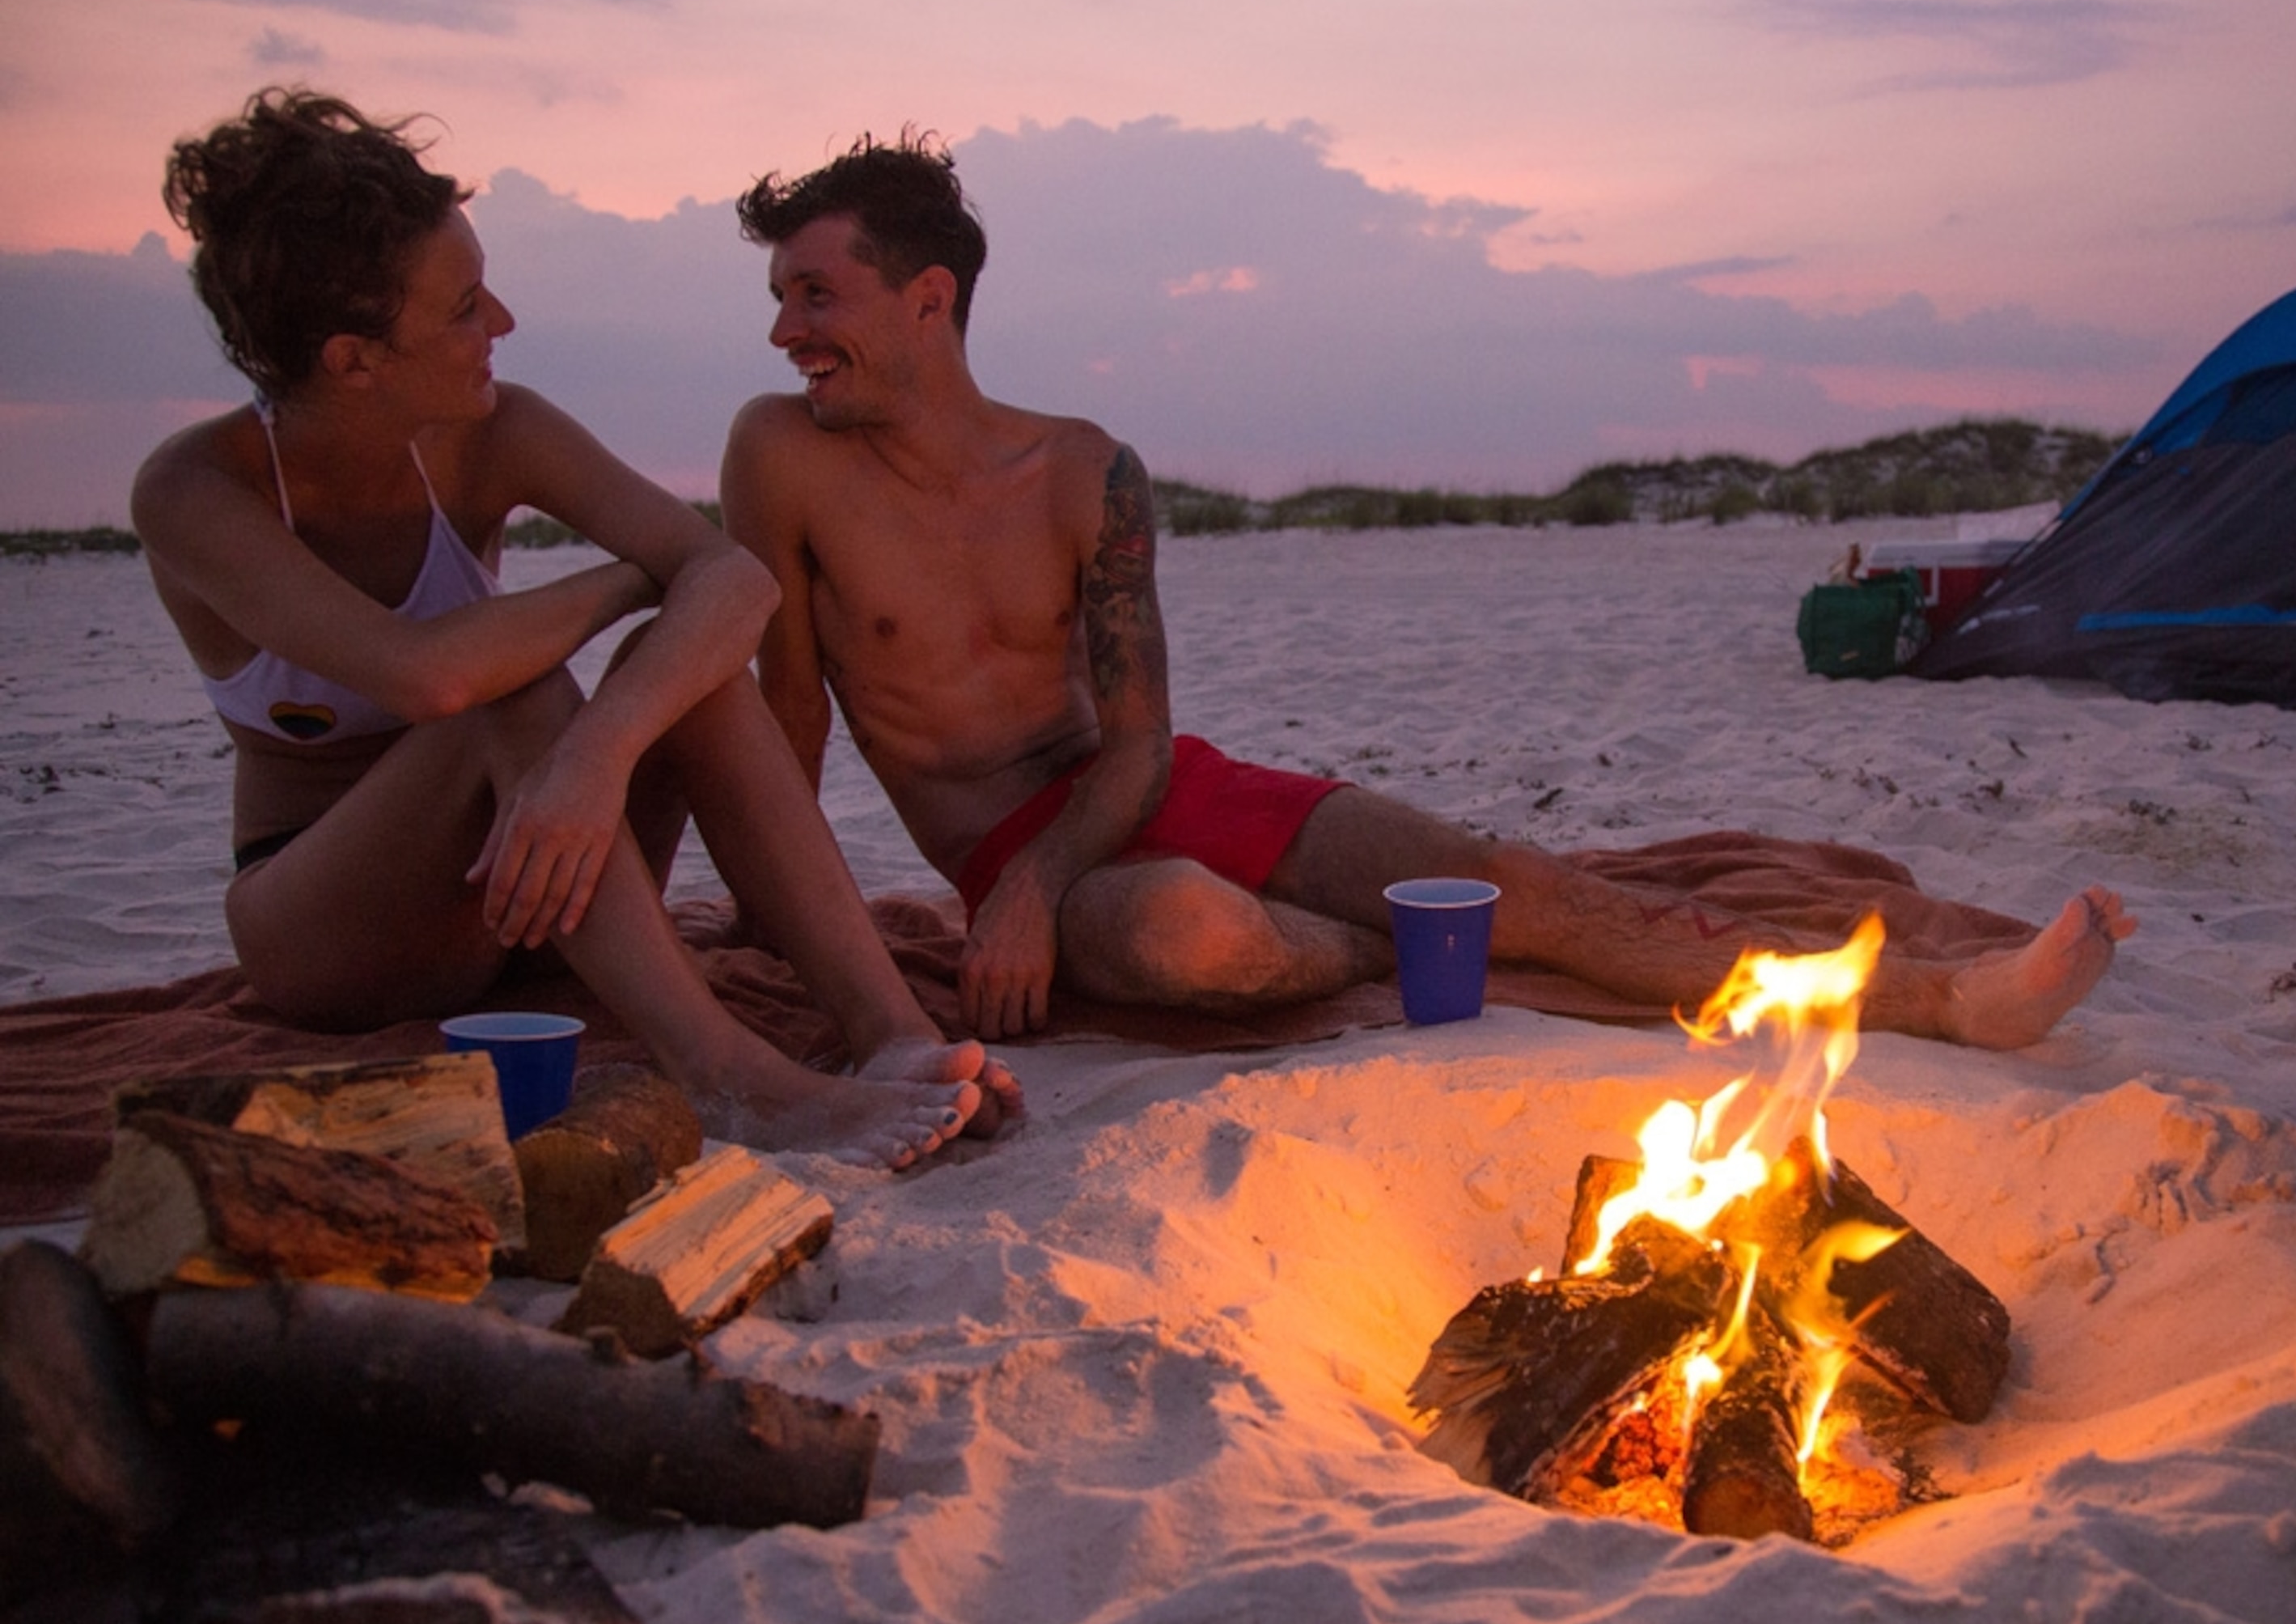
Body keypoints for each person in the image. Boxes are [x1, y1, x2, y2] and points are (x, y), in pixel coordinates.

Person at [721, 134, 2135, 1046]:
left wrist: (1040, 881)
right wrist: (857, 935)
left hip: (1143, 793)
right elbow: (783, 737)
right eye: (782, 299)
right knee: (1194, 935)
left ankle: (1943, 996)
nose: (787, 331)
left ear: (929, 301)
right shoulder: (779, 459)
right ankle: (1359, 944)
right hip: (1021, 857)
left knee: (1531, 889)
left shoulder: (1087, 470)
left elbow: (1144, 744)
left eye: (815, 296)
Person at [132, 90, 1015, 1169]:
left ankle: (893, 1037)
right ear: (353, 357)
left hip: (528, 887)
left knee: (682, 672)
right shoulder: (197, 491)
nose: (498, 324)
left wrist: (600, 753)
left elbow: (733, 581)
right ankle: (734, 1081)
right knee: (518, 694)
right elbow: (428, 678)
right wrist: (624, 582)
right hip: (329, 930)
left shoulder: (499, 430)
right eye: (461, 308)